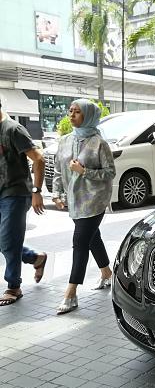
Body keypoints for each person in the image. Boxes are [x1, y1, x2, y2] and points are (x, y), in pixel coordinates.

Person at [52, 99, 115, 314]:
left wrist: (84, 171)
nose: (71, 115)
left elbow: (109, 173)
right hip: (74, 200)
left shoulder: (99, 143)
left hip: (95, 199)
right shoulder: (65, 141)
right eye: (70, 111)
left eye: (77, 112)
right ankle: (107, 273)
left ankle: (71, 293)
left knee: (79, 242)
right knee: (91, 237)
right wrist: (57, 193)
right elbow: (59, 169)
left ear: (87, 116)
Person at [0, 100, 48, 306]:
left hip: (16, 193)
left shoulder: (13, 129)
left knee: (9, 241)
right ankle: (35, 257)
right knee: (4, 241)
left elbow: (39, 159)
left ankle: (14, 286)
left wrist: (37, 191)